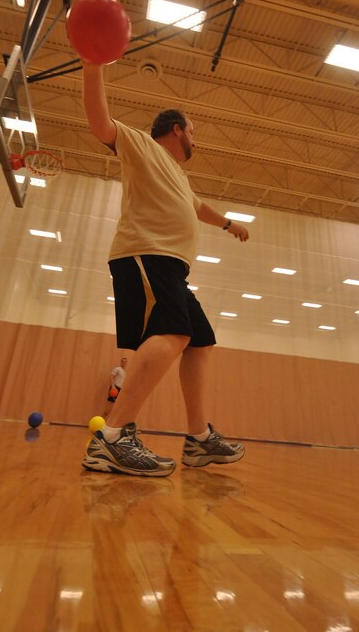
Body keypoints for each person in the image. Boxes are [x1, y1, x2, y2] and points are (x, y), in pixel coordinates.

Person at [81, 63, 249, 477]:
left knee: (199, 341)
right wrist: (92, 65)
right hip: (144, 254)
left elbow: (197, 207)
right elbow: (100, 123)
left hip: (172, 267)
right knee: (174, 332)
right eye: (192, 130)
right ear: (176, 129)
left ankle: (198, 439)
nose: (195, 138)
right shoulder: (140, 144)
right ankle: (112, 439)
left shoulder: (177, 174)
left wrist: (227, 223)